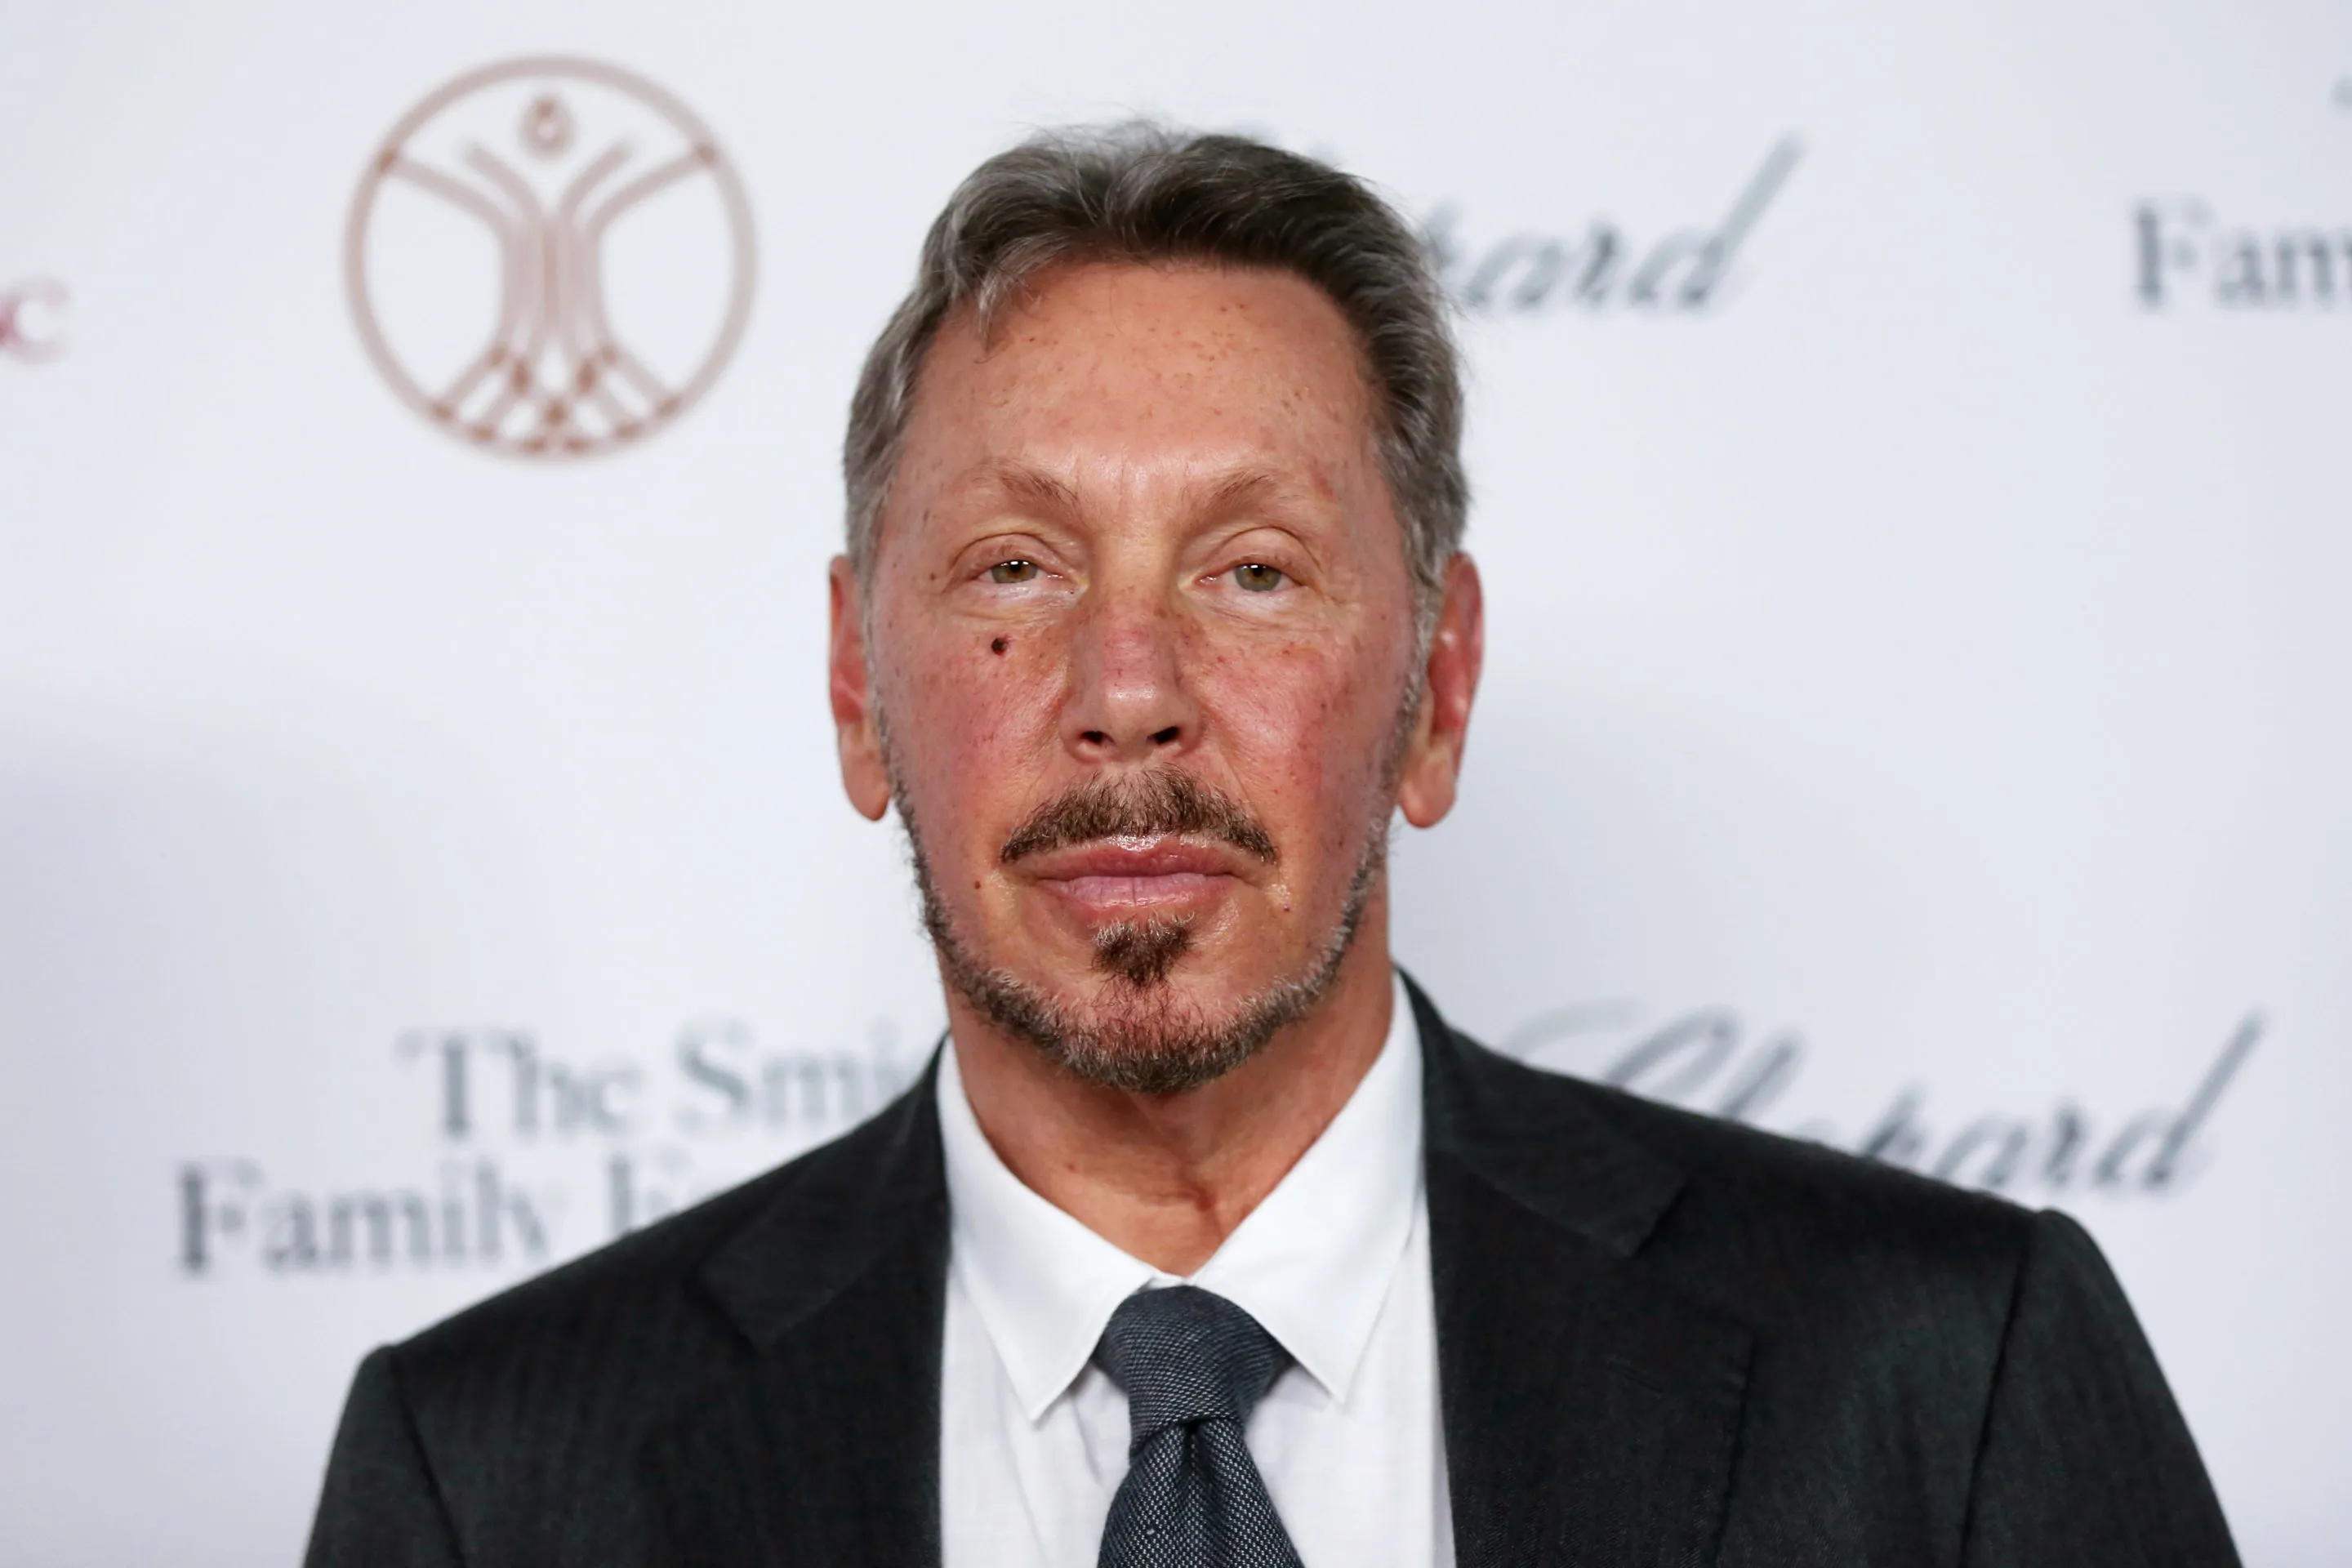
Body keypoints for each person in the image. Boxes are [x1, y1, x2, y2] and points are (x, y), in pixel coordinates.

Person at [305, 124, 2238, 1567]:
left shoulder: (1944, 1378)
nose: (1128, 691)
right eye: (1015, 569)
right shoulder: (494, 1477)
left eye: (1252, 571)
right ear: (853, 688)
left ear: (1439, 687)